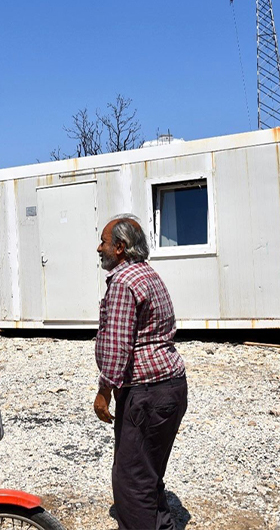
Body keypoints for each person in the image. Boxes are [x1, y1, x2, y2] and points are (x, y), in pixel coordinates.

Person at [93, 215, 188, 530]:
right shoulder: (148, 274)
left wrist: (104, 391)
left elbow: (117, 345)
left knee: (131, 482)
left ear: (120, 247)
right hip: (171, 386)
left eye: (104, 242)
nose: (99, 248)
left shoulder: (123, 281)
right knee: (148, 473)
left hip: (148, 392)